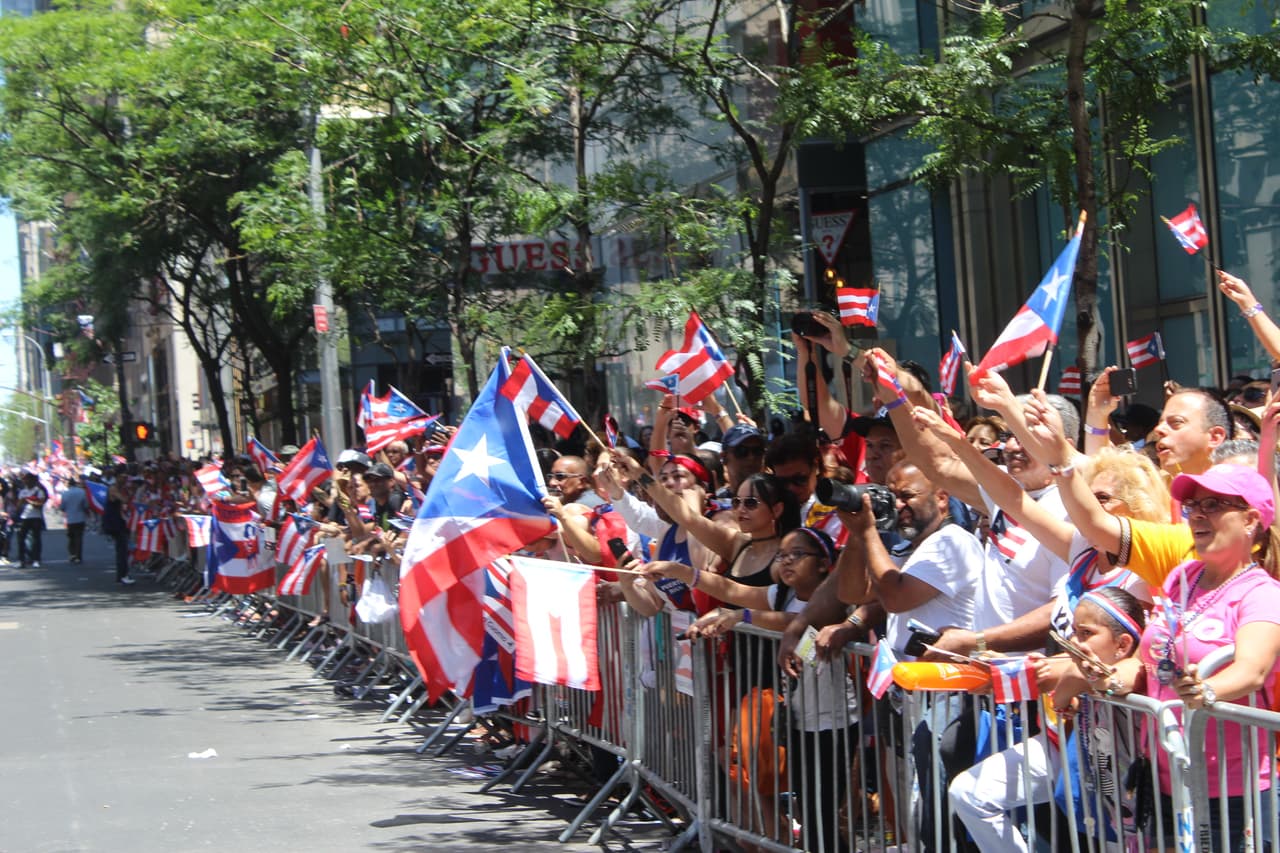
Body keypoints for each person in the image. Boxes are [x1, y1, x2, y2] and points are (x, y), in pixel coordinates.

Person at [645, 527, 856, 852]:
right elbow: (731, 588)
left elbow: (795, 624)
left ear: (824, 564)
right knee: (811, 811)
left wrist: (742, 616)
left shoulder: (836, 599)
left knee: (822, 813)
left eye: (797, 555)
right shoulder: (782, 593)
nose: (787, 562)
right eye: (782, 555)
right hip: (800, 719)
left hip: (836, 721)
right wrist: (681, 572)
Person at [1107, 464, 1280, 850]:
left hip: (1231, 791)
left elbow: (1253, 670)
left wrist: (1206, 690)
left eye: (1214, 504)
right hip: (1165, 773)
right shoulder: (1183, 577)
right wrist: (1118, 673)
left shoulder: (1263, 594)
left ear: (1251, 519)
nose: (1197, 514)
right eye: (1192, 505)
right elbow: (1155, 656)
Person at [949, 587, 1148, 852]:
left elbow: (1088, 677)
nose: (1075, 642)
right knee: (968, 792)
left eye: (1086, 633)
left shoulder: (1136, 666)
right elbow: (1069, 672)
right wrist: (1017, 669)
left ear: (1122, 644)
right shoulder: (1081, 661)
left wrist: (1066, 694)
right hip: (1091, 772)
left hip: (1135, 789)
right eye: (1075, 632)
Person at [17, 471, 47, 568]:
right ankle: (22, 560)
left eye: (28, 480)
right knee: (21, 539)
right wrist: (21, 502)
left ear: (32, 481)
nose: (26, 482)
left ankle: (36, 559)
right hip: (24, 517)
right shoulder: (22, 491)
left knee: (36, 539)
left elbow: (40, 504)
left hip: (35, 517)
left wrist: (30, 501)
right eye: (25, 480)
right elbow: (18, 506)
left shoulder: (38, 491)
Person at [60, 477, 88, 564]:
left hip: (70, 518)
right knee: (79, 537)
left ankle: (72, 554)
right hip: (80, 517)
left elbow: (62, 507)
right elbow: (85, 505)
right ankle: (78, 556)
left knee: (71, 537)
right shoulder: (82, 492)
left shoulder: (65, 493)